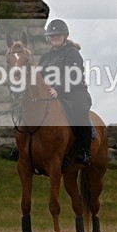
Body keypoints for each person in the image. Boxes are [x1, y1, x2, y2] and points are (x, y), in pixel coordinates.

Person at [37, 19, 93, 166]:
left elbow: (73, 76)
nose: (55, 37)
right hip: (50, 93)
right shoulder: (45, 57)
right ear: (48, 38)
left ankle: (85, 150)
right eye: (52, 35)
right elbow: (39, 77)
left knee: (80, 112)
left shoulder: (72, 53)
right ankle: (23, 147)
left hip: (75, 92)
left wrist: (58, 89)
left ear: (65, 36)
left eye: (58, 35)